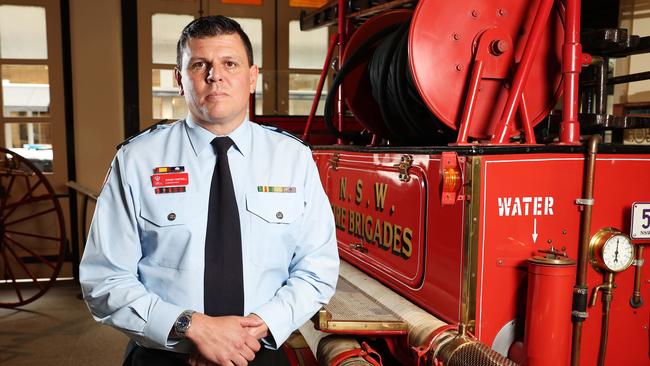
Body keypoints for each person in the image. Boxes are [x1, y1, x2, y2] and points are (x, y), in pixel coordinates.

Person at [79, 15, 339, 366]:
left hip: (258, 353)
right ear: (179, 79)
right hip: (163, 357)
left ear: (252, 77)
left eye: (229, 63)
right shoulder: (137, 160)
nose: (215, 75)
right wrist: (193, 328)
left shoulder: (294, 158)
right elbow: (104, 278)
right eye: (200, 64)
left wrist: (251, 330)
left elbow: (316, 268)